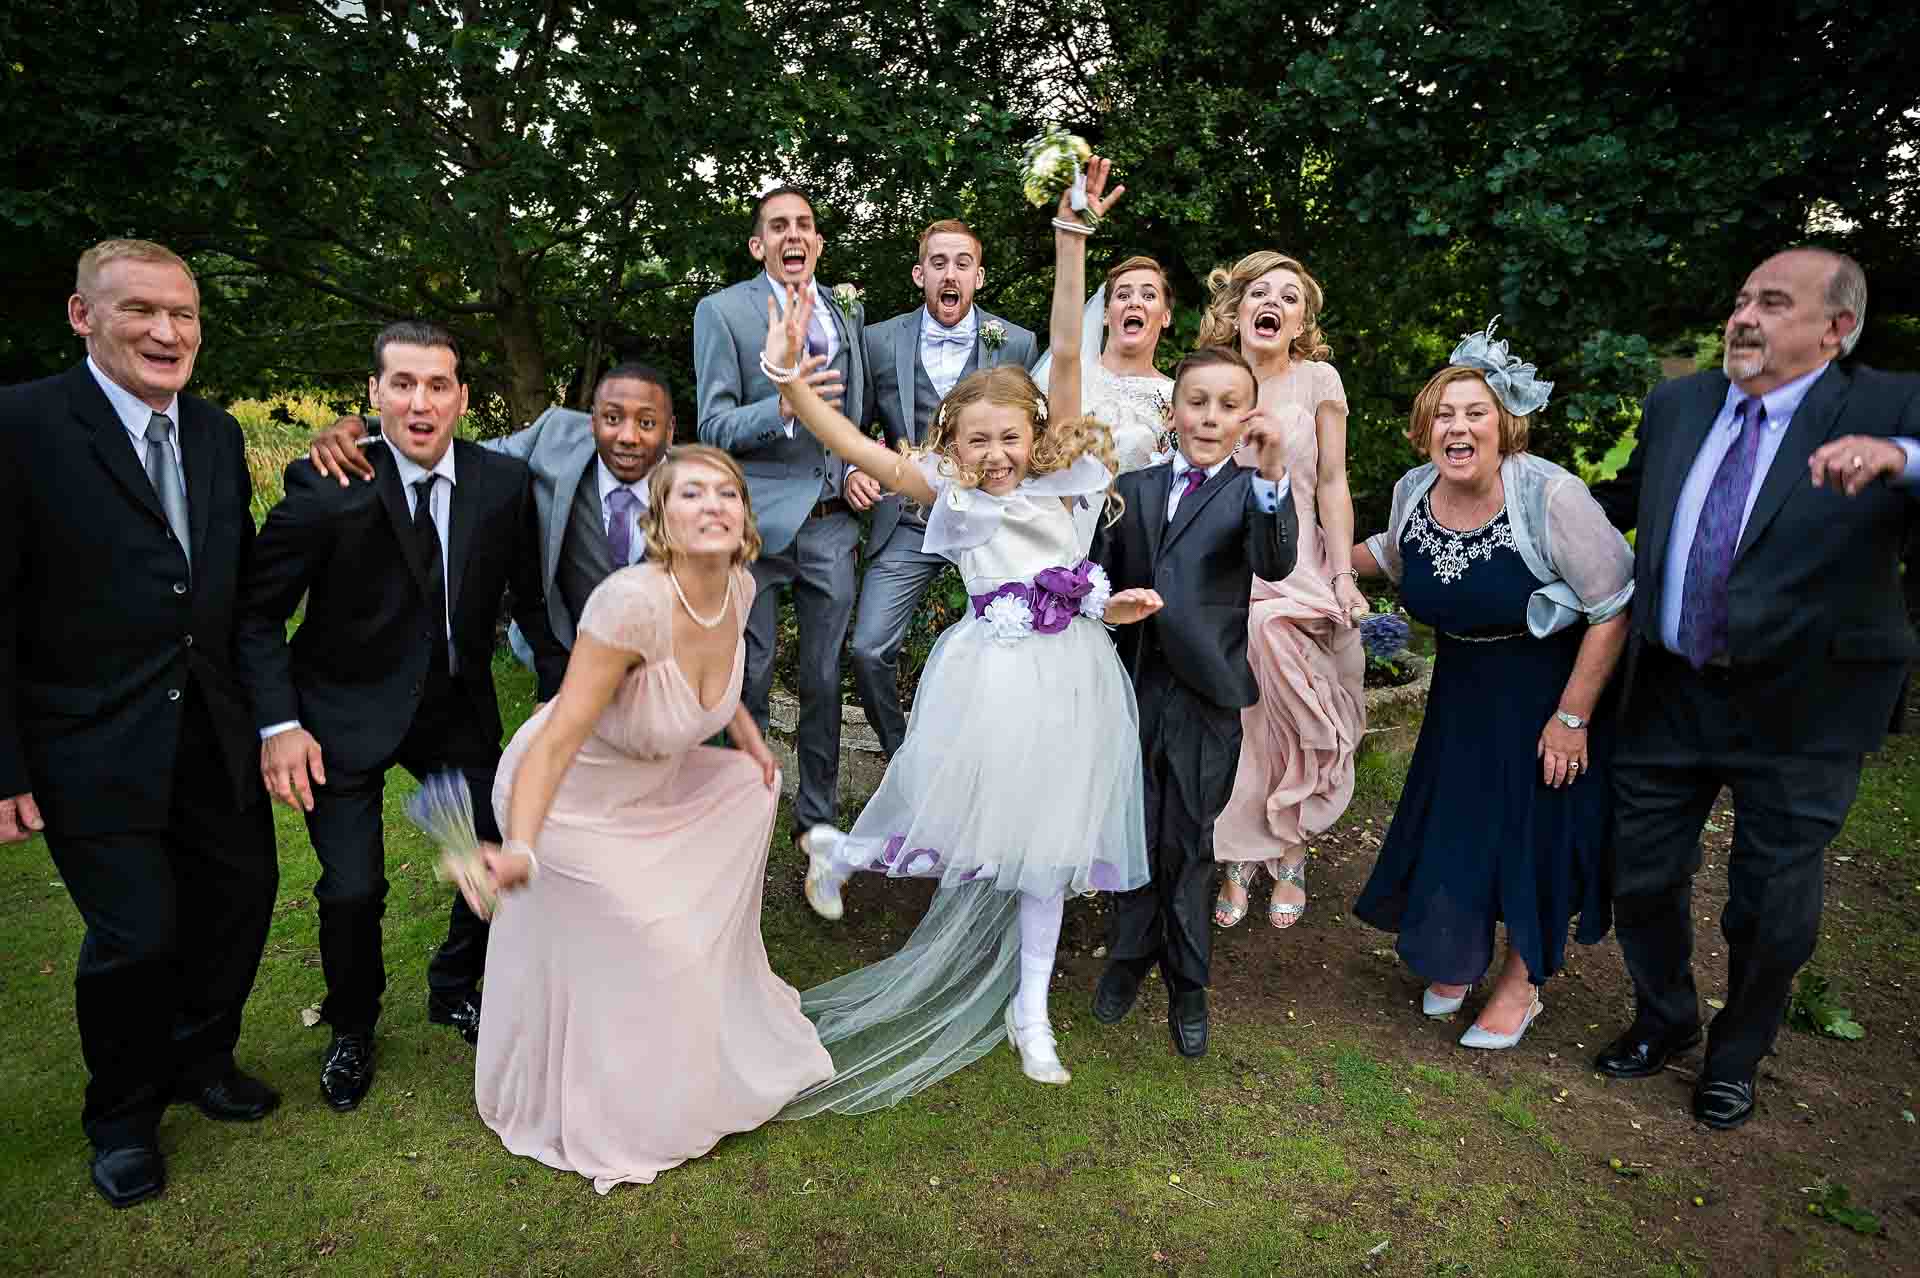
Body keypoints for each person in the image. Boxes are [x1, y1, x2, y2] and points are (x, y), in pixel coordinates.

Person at [769, 159, 1160, 1102]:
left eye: (1008, 438)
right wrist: (794, 386)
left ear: (1037, 435)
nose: (994, 454)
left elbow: (1067, 352)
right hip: (989, 671)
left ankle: (1032, 1010)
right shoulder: (947, 490)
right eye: (975, 440)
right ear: (953, 444)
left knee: (1046, 849)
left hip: (1072, 677)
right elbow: (858, 447)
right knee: (956, 824)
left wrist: (1071, 244)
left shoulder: (1063, 475)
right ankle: (848, 850)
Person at [1588, 248, 1920, 1128]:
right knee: (1639, 873)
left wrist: (1902, 457)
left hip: (1805, 708)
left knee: (1771, 908)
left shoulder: (1889, 405)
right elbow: (1619, 503)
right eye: (1742, 300)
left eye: (1774, 303)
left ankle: (1738, 1053)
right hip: (1670, 687)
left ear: (1836, 328)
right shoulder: (1681, 402)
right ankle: (1666, 1018)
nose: (1745, 316)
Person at [467, 444, 831, 1192]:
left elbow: (715, 682)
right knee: (658, 932)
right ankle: (623, 1101)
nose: (712, 505)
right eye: (690, 494)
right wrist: (521, 848)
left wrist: (753, 743)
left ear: (744, 517)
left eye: (727, 493)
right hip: (568, 796)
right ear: (661, 518)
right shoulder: (629, 604)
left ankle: (688, 1051)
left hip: (651, 781)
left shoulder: (740, 585)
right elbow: (559, 736)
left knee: (750, 792)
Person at [0, 239, 280, 1208]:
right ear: (83, 316)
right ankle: (121, 1117)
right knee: (136, 934)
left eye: (184, 315)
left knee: (241, 900)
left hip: (213, 729)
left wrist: (271, 718)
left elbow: (235, 593)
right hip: (89, 738)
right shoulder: (22, 424)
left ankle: (203, 1061)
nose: (167, 332)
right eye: (139, 312)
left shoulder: (212, 434)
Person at [238, 321, 566, 1110]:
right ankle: (353, 1026)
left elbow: (530, 601)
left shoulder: (504, 483)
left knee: (489, 858)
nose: (421, 402)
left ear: (461, 397)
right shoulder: (327, 486)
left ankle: (455, 984)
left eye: (439, 384)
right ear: (376, 393)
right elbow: (256, 616)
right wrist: (280, 725)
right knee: (353, 890)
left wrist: (562, 701)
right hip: (339, 718)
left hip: (452, 715)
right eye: (404, 384)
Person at [1351, 328, 1632, 1050]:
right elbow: (1391, 553)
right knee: (1460, 820)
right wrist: (1298, 561)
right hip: (1462, 686)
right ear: (1425, 429)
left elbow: (1612, 607)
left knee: (1530, 831)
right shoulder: (1414, 490)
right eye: (1444, 414)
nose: (1458, 427)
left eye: (1475, 412)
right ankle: (1456, 957)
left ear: (1504, 424)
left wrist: (1572, 718)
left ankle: (1521, 982)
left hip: (1544, 689)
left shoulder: (1552, 496)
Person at [1090, 342, 1300, 1058]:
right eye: (1198, 401)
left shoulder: (1250, 490)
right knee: (1134, 831)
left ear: (1248, 417)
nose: (1211, 417)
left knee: (1190, 840)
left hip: (1207, 695)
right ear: (1173, 409)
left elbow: (1274, 560)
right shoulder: (1134, 486)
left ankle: (1188, 981)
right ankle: (1127, 957)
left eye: (1228, 405)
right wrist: (1108, 604)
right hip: (1137, 686)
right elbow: (1098, 575)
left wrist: (1272, 475)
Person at [694, 186, 869, 846]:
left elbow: (856, 414)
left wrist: (855, 468)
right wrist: (784, 407)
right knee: (751, 679)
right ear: (757, 244)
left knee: (825, 680)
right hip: (756, 525)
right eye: (778, 226)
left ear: (817, 242)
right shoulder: (723, 312)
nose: (792, 235)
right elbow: (712, 425)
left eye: (804, 224)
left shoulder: (845, 310)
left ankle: (817, 824)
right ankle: (736, 822)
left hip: (829, 522)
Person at [1201, 251, 1366, 931]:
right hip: (1225, 572)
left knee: (1281, 671)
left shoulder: (1319, 380)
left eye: (1290, 297)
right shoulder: (1212, 380)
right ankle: (1240, 858)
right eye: (1260, 293)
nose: (1274, 303)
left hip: (1297, 570)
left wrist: (1344, 575)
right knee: (1242, 708)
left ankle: (1290, 849)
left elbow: (1330, 481)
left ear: (1300, 322)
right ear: (1237, 310)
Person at [304, 363, 676, 652]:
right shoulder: (553, 437)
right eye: (612, 418)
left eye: (646, 423)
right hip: (572, 656)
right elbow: (461, 456)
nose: (628, 436)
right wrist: (365, 425)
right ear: (592, 422)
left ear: (670, 430)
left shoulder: (705, 489)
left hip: (672, 664)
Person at [851, 219, 1039, 759]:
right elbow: (857, 423)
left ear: (978, 276)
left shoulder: (1018, 343)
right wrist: (853, 470)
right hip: (908, 520)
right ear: (919, 273)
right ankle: (905, 758)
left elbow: (1035, 435)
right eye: (938, 262)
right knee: (867, 650)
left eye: (962, 263)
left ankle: (993, 763)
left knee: (1014, 644)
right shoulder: (880, 341)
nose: (949, 273)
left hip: (989, 523)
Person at [1033, 255, 1179, 473]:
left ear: (1166, 317)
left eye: (1148, 295)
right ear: (1104, 313)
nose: (1135, 302)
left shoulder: (1176, 396)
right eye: (1123, 295)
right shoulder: (1066, 376)